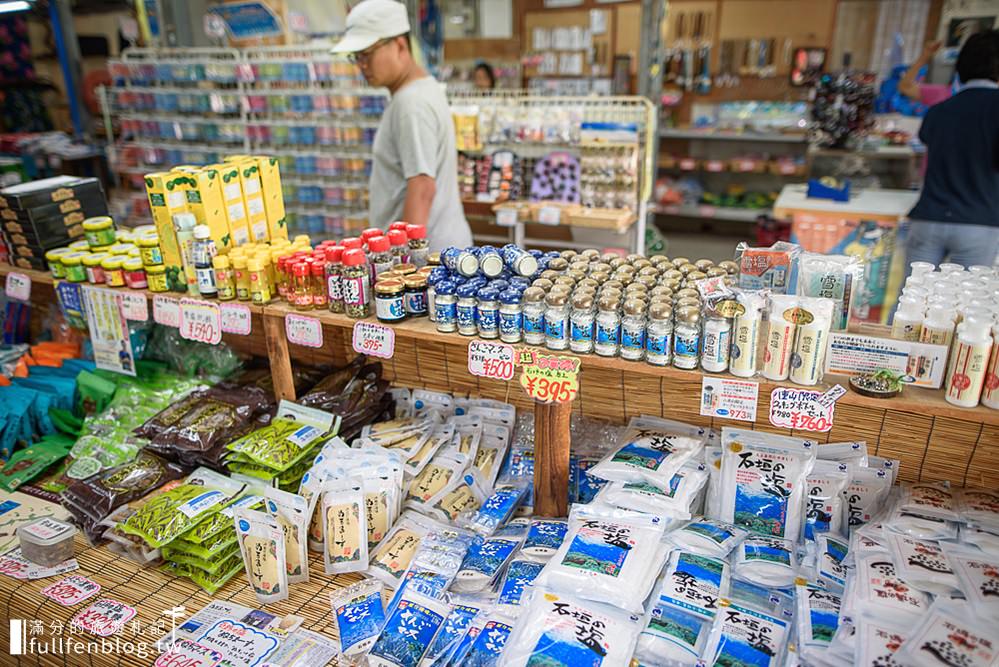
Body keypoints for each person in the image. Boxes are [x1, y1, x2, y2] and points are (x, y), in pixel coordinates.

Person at [332, 0, 472, 252]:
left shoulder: (411, 103)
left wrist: (404, 267)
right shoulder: (420, 90)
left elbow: (422, 188)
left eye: (367, 54)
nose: (361, 65)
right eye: (357, 57)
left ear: (399, 45)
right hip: (439, 251)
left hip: (429, 259)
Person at [905, 30, 999, 272]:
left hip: (928, 218)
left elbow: (927, 142)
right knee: (963, 305)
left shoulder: (939, 110)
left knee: (912, 299)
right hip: (978, 221)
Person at [898, 40, 953, 108]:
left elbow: (905, 87)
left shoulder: (945, 93)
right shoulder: (945, 93)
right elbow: (905, 87)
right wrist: (925, 56)